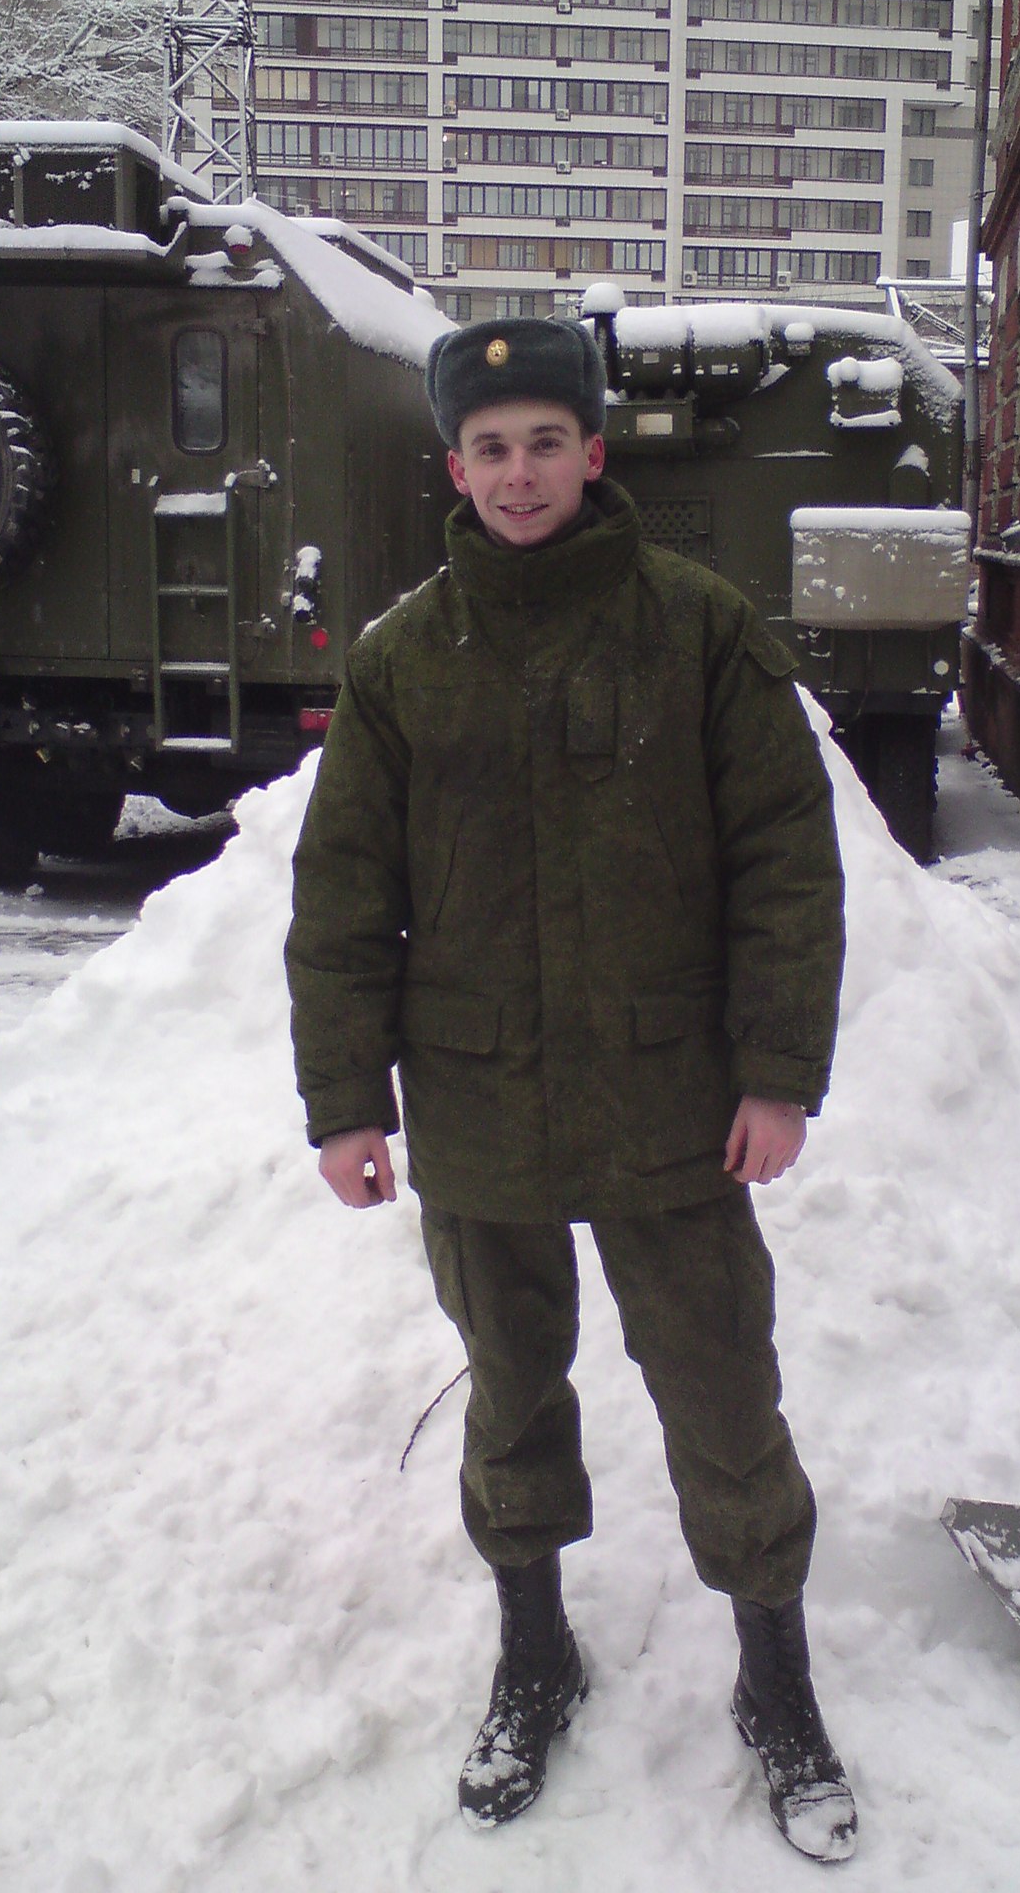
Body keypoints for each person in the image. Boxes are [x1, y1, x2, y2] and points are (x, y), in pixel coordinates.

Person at [284, 317, 854, 1865]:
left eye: (547, 441)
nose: (520, 471)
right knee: (513, 1394)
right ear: (454, 469)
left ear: (595, 454)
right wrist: (347, 1102)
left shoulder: (700, 627)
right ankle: (534, 1656)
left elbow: (787, 867)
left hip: (677, 1103)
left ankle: (778, 1679)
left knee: (724, 1393)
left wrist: (777, 1074)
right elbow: (345, 896)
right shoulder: (404, 659)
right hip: (480, 1108)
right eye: (492, 447)